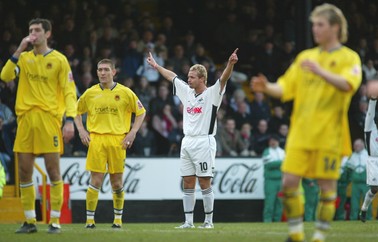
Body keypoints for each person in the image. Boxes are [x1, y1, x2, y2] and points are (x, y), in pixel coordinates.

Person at [251, 4, 362, 242]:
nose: (315, 29)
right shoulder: (305, 57)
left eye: (320, 24)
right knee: (289, 182)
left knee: (326, 188)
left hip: (329, 134)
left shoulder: (349, 57)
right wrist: (267, 87)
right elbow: (285, 87)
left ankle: (319, 236)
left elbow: (348, 85)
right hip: (300, 132)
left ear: (335, 27)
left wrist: (322, 72)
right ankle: (296, 235)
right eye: (313, 24)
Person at [147, 48, 238, 229]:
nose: (188, 79)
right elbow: (172, 77)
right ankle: (188, 221)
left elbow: (224, 78)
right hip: (187, 141)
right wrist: (157, 66)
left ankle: (208, 221)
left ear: (202, 79)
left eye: (192, 77)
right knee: (187, 181)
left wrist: (230, 64)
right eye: (188, 76)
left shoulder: (213, 93)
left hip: (204, 141)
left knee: (204, 181)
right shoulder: (186, 92)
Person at [0, 18, 77, 234]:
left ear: (48, 34)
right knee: (24, 171)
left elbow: (70, 92)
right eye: (30, 30)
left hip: (48, 119)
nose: (32, 33)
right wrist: (19, 48)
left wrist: (69, 120)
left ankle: (54, 221)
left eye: (37, 30)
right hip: (25, 120)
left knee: (53, 170)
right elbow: (5, 76)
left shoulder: (60, 60)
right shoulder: (23, 58)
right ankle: (29, 221)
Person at [74, 59, 146, 229]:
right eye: (99, 70)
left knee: (117, 182)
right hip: (97, 140)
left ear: (114, 72)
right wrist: (81, 131)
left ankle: (118, 220)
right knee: (95, 180)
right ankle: (90, 221)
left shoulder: (126, 92)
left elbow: (141, 112)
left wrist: (133, 132)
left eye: (106, 69)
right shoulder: (90, 93)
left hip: (117, 140)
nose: (102, 73)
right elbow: (75, 111)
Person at [346, 139, 371, 221]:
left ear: (362, 145)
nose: (355, 147)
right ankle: (353, 217)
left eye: (357, 145)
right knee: (354, 202)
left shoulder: (368, 154)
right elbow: (349, 169)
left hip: (366, 183)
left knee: (367, 201)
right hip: (355, 183)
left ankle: (368, 217)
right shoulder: (352, 156)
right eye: (355, 145)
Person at [262, 135, 284, 222]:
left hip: (281, 181)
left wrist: (276, 163)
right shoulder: (266, 151)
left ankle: (277, 221)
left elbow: (285, 165)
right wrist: (281, 162)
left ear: (278, 142)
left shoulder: (282, 151)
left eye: (275, 141)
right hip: (270, 181)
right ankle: (267, 221)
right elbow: (269, 165)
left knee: (280, 202)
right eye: (271, 141)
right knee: (269, 202)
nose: (273, 142)